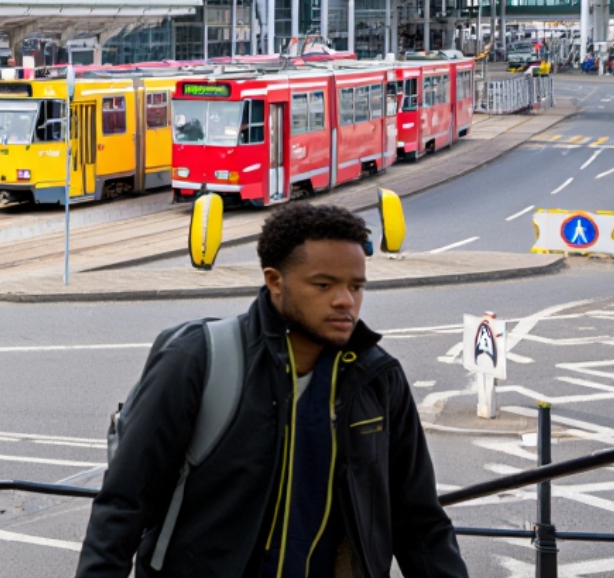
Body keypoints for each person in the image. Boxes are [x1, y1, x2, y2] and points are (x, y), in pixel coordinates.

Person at [76, 204, 468, 578]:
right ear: (275, 281)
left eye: (356, 286)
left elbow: (420, 522)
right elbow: (124, 504)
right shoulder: (198, 358)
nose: (345, 301)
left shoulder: (377, 378)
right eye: (323, 285)